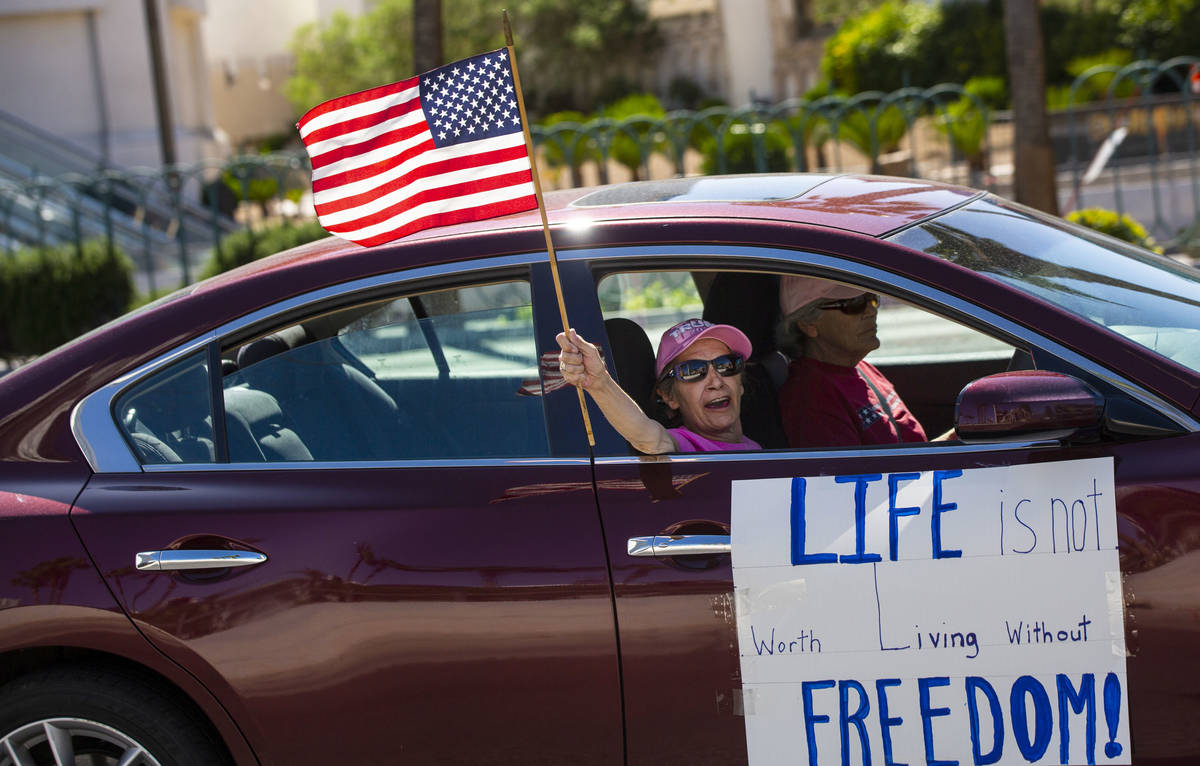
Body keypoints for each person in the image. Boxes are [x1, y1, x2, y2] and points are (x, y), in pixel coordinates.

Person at [556, 318, 761, 453]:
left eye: (726, 365)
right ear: (669, 397)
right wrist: (599, 383)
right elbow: (646, 436)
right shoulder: (682, 445)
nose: (716, 382)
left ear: (740, 383)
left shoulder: (756, 448)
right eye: (693, 371)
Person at [775, 275, 928, 448]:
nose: (871, 311)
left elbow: (908, 457)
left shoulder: (861, 368)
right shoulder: (812, 397)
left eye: (872, 299)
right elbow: (849, 474)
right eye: (854, 304)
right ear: (808, 324)